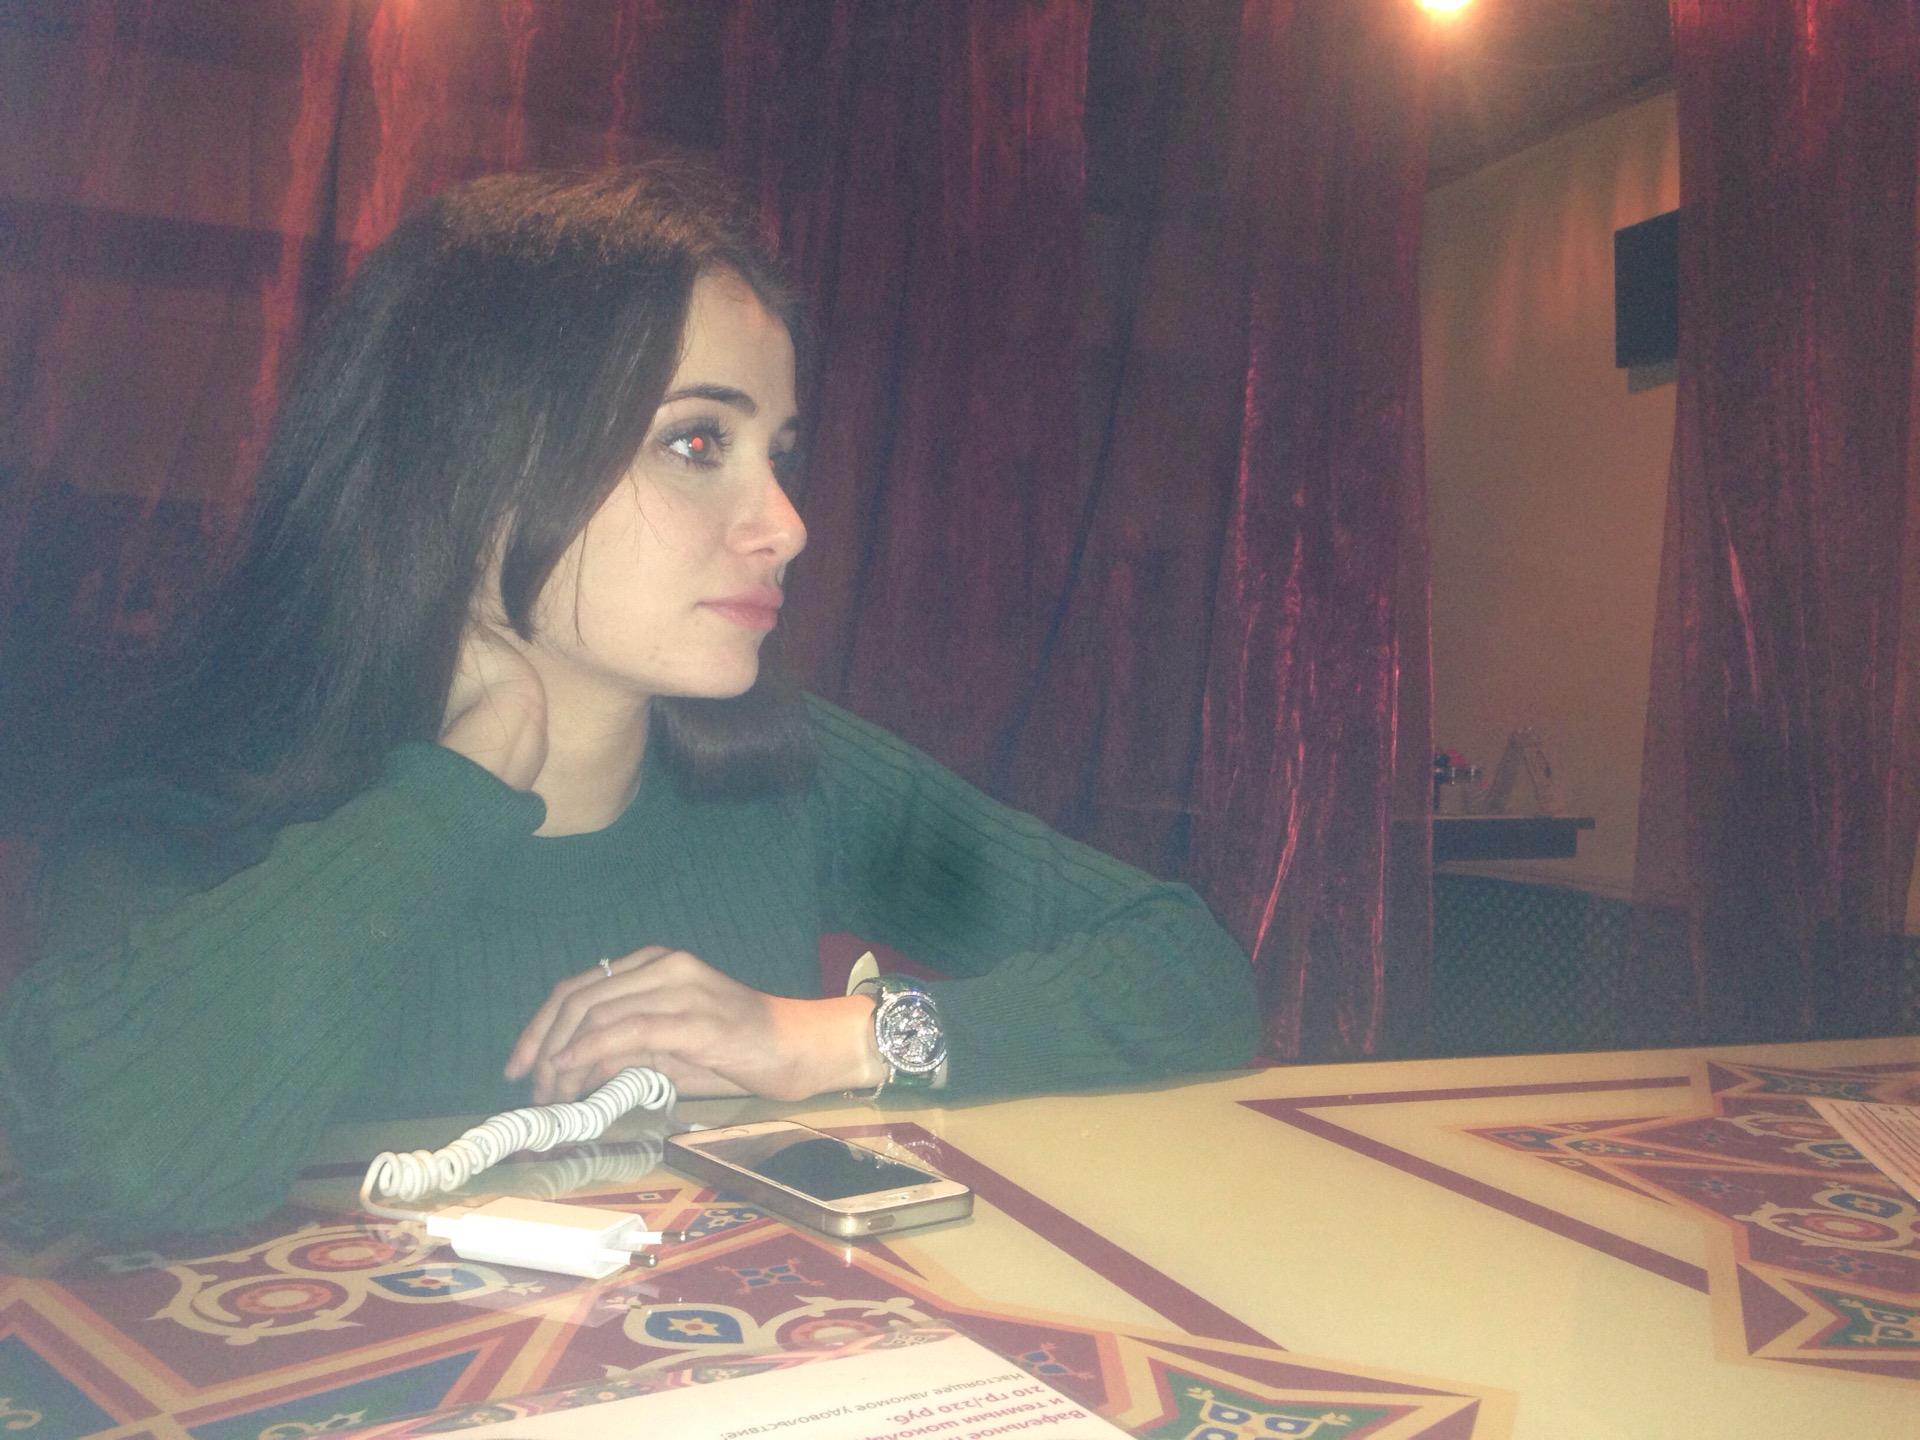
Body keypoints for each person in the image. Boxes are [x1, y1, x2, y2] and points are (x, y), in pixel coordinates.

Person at [0, 166, 1261, 1237]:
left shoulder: (785, 777)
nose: (786, 523)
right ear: (478, 460)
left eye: (778, 452)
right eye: (698, 442)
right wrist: (449, 795)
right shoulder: (197, 820)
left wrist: (820, 1040)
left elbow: (1188, 969)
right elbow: (108, 1164)